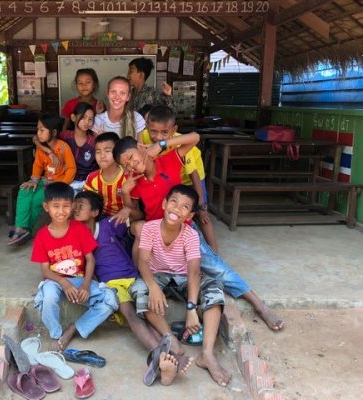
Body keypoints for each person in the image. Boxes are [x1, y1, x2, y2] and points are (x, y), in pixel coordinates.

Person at [113, 136, 284, 332]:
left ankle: (260, 306)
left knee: (217, 268)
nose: (131, 165)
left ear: (140, 147)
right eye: (126, 164)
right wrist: (126, 194)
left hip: (184, 231)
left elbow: (194, 138)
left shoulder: (167, 160)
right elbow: (137, 214)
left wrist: (159, 145)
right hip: (158, 235)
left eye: (132, 157)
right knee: (147, 275)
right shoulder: (133, 181)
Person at [73, 190, 194, 385]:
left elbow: (139, 223)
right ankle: (165, 358)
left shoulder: (107, 225)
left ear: (95, 212)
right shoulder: (76, 236)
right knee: (131, 316)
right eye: (74, 205)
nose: (75, 209)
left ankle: (167, 353)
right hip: (111, 285)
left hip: (132, 276)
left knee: (145, 310)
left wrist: (128, 210)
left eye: (80, 205)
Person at [133, 184, 230, 386]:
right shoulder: (150, 228)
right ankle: (170, 337)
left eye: (184, 207)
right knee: (138, 289)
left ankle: (207, 354)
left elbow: (194, 271)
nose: (177, 209)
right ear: (164, 203)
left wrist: (191, 308)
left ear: (190, 215)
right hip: (158, 276)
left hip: (185, 279)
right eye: (174, 202)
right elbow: (142, 262)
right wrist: (152, 287)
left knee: (214, 286)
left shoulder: (191, 235)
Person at [31, 182, 118, 351]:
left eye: (66, 206)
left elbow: (90, 259)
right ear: (46, 207)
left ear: (72, 206)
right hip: (55, 281)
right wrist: (64, 283)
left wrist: (85, 284)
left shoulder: (79, 229)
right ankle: (56, 334)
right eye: (56, 206)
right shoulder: (41, 236)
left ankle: (75, 328)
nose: (61, 211)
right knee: (47, 298)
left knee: (110, 300)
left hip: (79, 280)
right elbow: (45, 270)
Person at [139, 105, 218, 253]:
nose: (157, 137)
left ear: (174, 130)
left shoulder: (181, 142)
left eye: (164, 132)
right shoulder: (144, 135)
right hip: (169, 177)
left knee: (202, 215)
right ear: (147, 127)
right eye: (153, 131)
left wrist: (201, 206)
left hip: (189, 178)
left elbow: (193, 175)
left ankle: (214, 250)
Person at [8, 114, 77, 246]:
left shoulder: (63, 147)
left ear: (54, 132)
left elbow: (71, 168)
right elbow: (38, 165)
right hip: (44, 180)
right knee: (24, 190)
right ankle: (21, 227)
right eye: (38, 129)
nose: (38, 133)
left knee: (37, 199)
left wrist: (61, 185)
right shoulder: (41, 148)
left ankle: (28, 229)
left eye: (42, 130)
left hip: (57, 183)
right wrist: (33, 181)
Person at [84, 132, 127, 218]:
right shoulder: (92, 178)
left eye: (107, 151)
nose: (102, 156)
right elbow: (88, 202)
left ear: (117, 152)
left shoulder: (127, 177)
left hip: (123, 218)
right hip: (100, 217)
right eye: (98, 152)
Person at [58, 102, 98, 193]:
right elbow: (44, 140)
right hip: (66, 179)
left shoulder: (93, 142)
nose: (86, 122)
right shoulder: (64, 136)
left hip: (86, 183)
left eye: (90, 119)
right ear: (73, 117)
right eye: (83, 117)